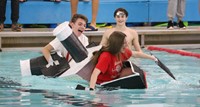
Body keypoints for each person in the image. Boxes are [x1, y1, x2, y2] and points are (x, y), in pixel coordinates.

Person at [89, 31, 157, 90]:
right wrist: (92, 90)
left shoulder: (122, 52)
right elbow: (95, 74)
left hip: (115, 80)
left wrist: (151, 57)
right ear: (117, 44)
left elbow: (135, 54)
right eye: (124, 43)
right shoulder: (106, 56)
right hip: (102, 85)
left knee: (132, 71)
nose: (127, 45)